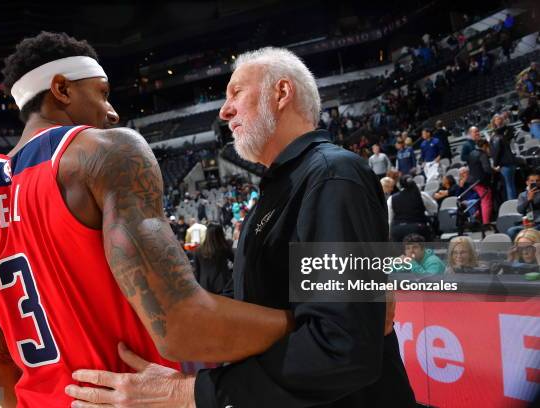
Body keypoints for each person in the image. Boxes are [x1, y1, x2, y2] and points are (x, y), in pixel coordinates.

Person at [0, 32, 293, 407]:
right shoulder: (104, 153)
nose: (112, 111)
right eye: (102, 93)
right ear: (62, 89)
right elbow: (180, 323)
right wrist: (314, 326)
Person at [67, 46, 415, 407]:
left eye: (236, 93)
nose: (223, 110)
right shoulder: (279, 188)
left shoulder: (332, 175)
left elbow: (343, 346)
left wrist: (190, 393)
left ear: (281, 93)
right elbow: (255, 308)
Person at [192, 223, 234, 296]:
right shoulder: (224, 248)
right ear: (220, 234)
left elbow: (196, 271)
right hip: (223, 284)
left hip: (204, 285)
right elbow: (236, 261)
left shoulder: (198, 250)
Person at [388, 176, 433, 242]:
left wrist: (389, 233)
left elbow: (389, 219)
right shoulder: (421, 195)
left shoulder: (391, 198)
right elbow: (433, 209)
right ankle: (430, 252)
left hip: (398, 230)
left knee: (399, 252)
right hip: (418, 228)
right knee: (427, 250)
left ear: (400, 185)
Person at [490, 114, 517, 200]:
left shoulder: (497, 136)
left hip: (505, 164)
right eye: (496, 119)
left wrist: (495, 164)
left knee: (509, 187)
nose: (498, 121)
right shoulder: (500, 136)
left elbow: (497, 152)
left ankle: (512, 207)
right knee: (511, 185)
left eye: (499, 119)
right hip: (510, 162)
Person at [507, 169, 540, 240]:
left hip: (538, 223)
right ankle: (518, 250)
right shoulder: (522, 195)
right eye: (532, 181)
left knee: (534, 230)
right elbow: (520, 210)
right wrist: (528, 200)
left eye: (537, 181)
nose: (535, 182)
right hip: (527, 223)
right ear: (527, 182)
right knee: (511, 231)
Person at [467, 139, 494, 225]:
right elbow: (486, 169)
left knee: (480, 201)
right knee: (486, 201)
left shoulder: (471, 153)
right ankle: (486, 222)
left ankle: (477, 217)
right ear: (485, 146)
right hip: (481, 181)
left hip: (472, 181)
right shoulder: (482, 154)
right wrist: (494, 170)